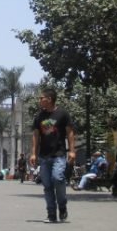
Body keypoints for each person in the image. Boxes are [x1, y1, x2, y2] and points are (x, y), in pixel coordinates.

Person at [30, 87, 76, 223]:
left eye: (41, 98)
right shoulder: (39, 116)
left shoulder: (62, 114)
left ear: (49, 99)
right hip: (44, 156)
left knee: (58, 178)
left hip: (59, 154)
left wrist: (72, 151)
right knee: (48, 186)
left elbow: (70, 133)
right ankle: (51, 214)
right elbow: (35, 136)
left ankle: (62, 206)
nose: (39, 100)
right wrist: (33, 154)